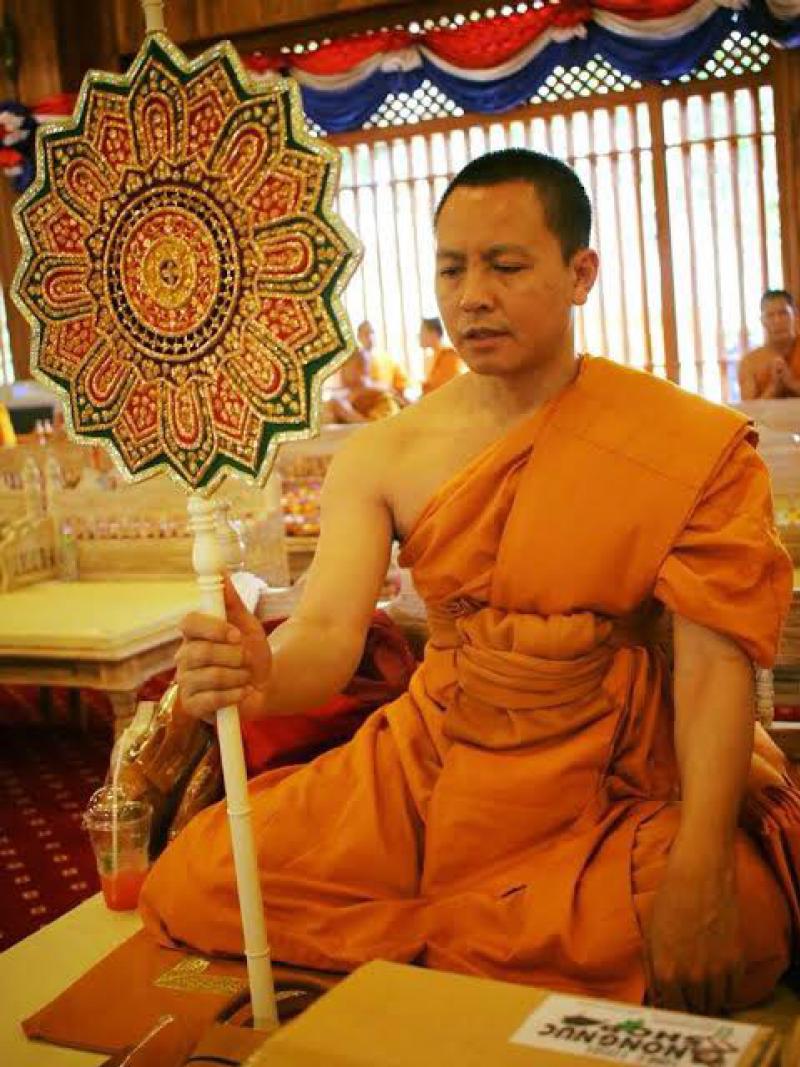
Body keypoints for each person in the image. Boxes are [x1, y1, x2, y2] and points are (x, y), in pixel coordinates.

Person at [141, 149, 799, 1016]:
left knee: (742, 918)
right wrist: (262, 671)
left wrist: (701, 864)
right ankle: (487, 943)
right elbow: (329, 634)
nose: (472, 296)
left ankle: (432, 949)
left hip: (612, 774)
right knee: (198, 877)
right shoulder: (387, 451)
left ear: (581, 273)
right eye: (452, 269)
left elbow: (714, 669)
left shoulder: (683, 442)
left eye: (506, 266)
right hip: (431, 764)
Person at [738, 290, 800, 399]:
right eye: (770, 315)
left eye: (783, 313)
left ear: (795, 315)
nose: (777, 321)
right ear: (763, 321)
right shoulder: (749, 362)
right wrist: (774, 388)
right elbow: (749, 408)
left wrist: (791, 383)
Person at [325, 347, 400, 423]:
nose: (338, 373)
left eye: (344, 366)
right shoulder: (347, 398)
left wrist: (347, 413)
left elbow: (382, 428)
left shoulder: (382, 397)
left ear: (361, 368)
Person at [357, 319, 409, 401]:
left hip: (390, 402)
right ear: (359, 337)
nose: (370, 336)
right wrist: (384, 388)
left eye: (372, 332)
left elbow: (401, 384)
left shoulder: (387, 358)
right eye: (366, 333)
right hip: (368, 403)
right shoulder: (355, 361)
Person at [419, 316, 465, 393]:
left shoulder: (448, 354)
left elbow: (445, 387)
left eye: (422, 332)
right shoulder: (430, 358)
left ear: (434, 333)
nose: (420, 336)